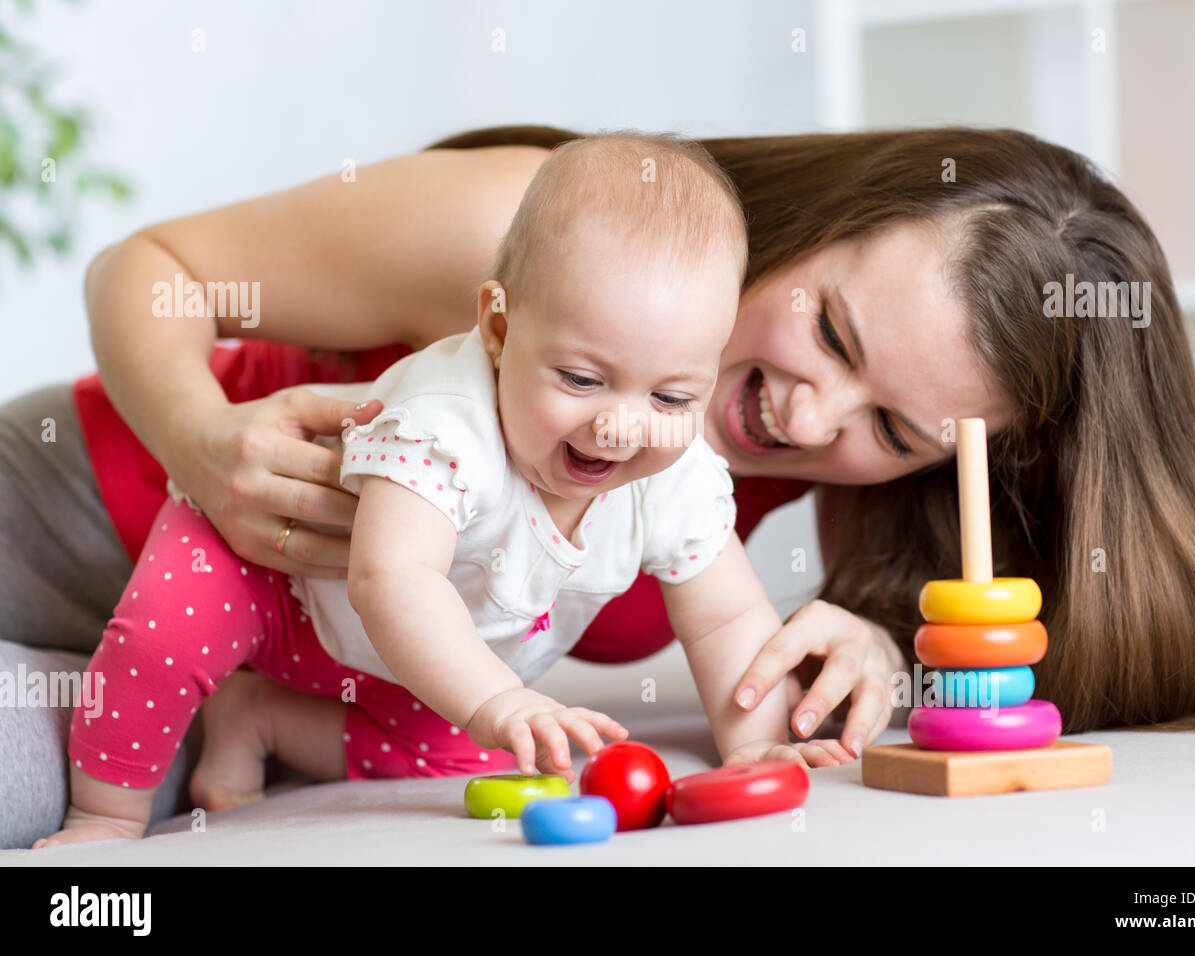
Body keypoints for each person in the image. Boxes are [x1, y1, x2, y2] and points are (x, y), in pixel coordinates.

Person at [3, 124, 1195, 850]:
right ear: (821, 219)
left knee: (90, 777)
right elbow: (153, 267)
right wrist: (204, 445)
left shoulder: (702, 452)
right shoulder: (535, 234)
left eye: (891, 424)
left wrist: (868, 654)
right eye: (833, 336)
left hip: (287, 655)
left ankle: (240, 724)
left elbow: (742, 630)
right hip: (72, 519)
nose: (808, 414)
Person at [34, 132, 836, 848]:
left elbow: (728, 618)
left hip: (407, 657)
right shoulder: (447, 423)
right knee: (159, 640)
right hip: (274, 572)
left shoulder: (676, 472)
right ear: (497, 328)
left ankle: (262, 717)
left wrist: (756, 747)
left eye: (670, 397)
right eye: (582, 379)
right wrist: (498, 698)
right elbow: (394, 580)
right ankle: (105, 817)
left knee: (486, 756)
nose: (620, 428)